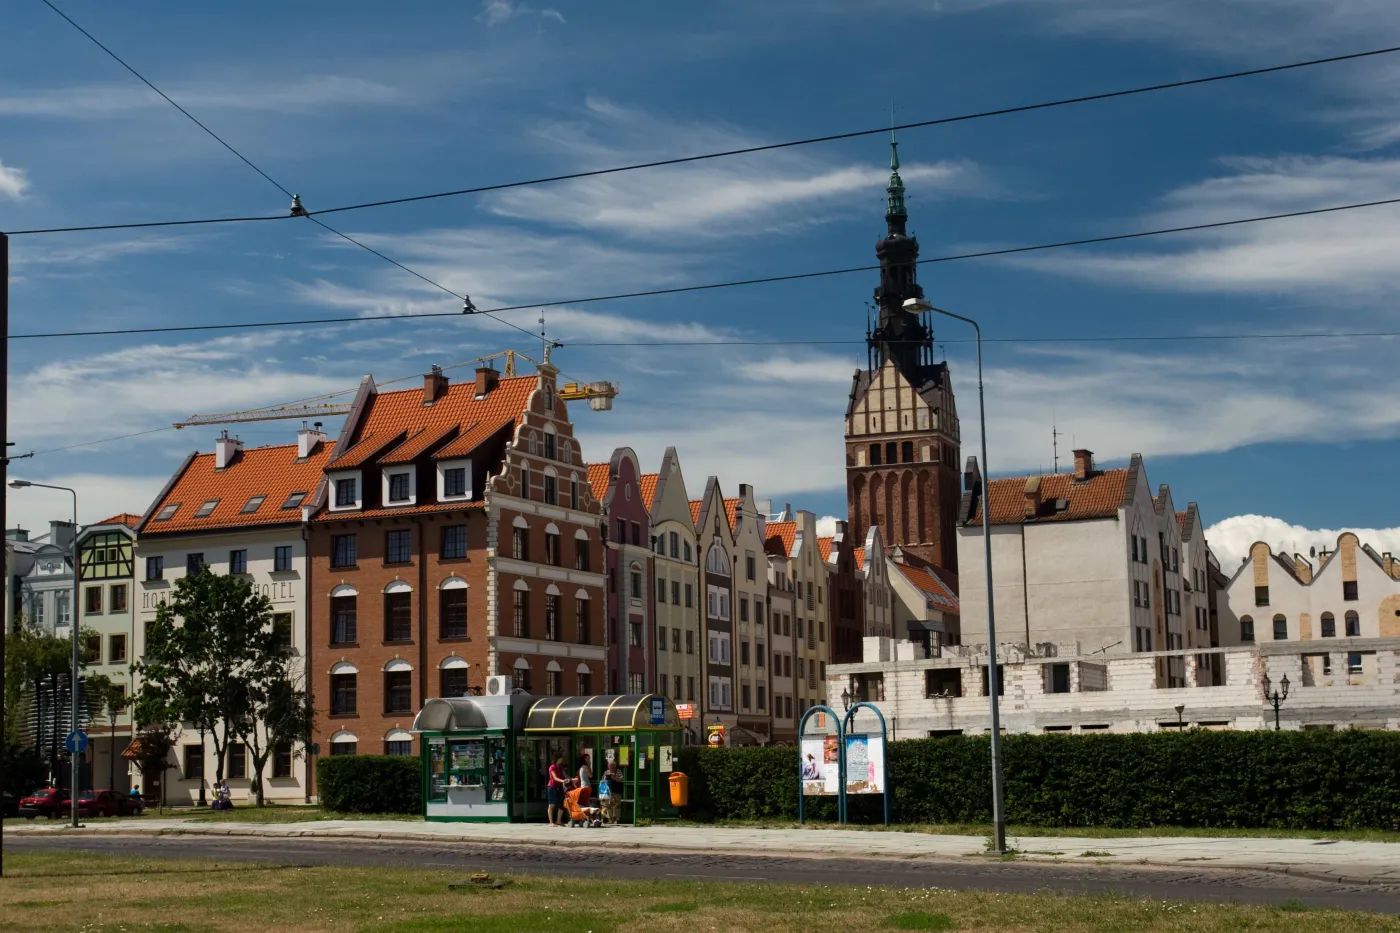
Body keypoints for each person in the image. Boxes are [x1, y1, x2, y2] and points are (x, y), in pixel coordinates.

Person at [546, 754, 568, 827]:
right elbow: (554, 777)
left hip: (559, 787)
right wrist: (562, 781)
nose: (562, 760)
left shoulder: (560, 767)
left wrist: (571, 779)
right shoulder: (552, 767)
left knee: (561, 804)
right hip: (552, 787)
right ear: (557, 759)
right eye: (561, 758)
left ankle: (558, 820)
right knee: (552, 805)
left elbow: (565, 775)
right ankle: (551, 822)